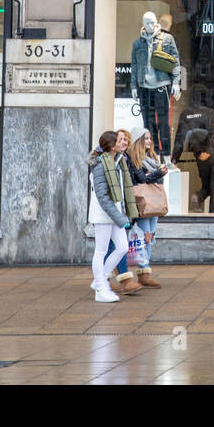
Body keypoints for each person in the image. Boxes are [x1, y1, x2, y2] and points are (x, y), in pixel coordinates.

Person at [87, 129, 139, 303]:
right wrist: (120, 218)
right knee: (100, 251)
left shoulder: (117, 161)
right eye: (118, 140)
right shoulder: (101, 164)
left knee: (123, 247)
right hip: (103, 215)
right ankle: (101, 288)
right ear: (111, 145)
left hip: (116, 213)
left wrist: (122, 214)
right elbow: (102, 197)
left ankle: (98, 280)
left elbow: (122, 191)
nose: (122, 142)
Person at [127, 126, 168, 289]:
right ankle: (143, 271)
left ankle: (145, 273)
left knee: (150, 237)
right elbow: (142, 179)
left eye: (150, 138)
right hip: (143, 203)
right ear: (138, 141)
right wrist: (159, 174)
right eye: (146, 138)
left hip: (153, 203)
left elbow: (154, 180)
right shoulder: (134, 159)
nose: (149, 141)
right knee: (144, 237)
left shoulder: (151, 158)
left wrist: (158, 174)